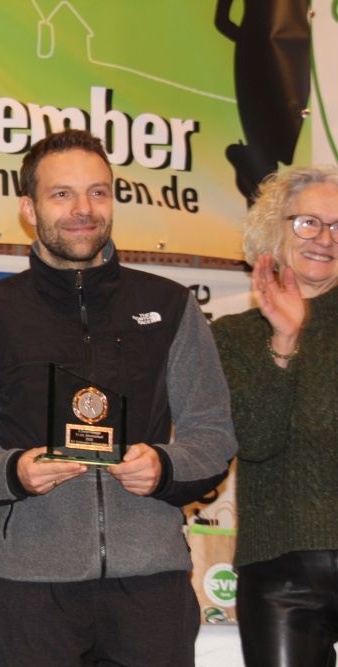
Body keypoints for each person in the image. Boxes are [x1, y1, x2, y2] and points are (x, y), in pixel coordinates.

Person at [0, 129, 237, 667]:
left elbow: (214, 435)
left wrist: (165, 467)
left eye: (98, 192)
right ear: (29, 208)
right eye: (62, 194)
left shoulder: (170, 304)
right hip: (29, 585)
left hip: (151, 580)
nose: (83, 209)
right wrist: (14, 472)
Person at [212, 167, 338, 666]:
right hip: (278, 570)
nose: (325, 238)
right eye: (308, 222)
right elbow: (256, 441)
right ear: (273, 229)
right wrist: (285, 341)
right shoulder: (233, 335)